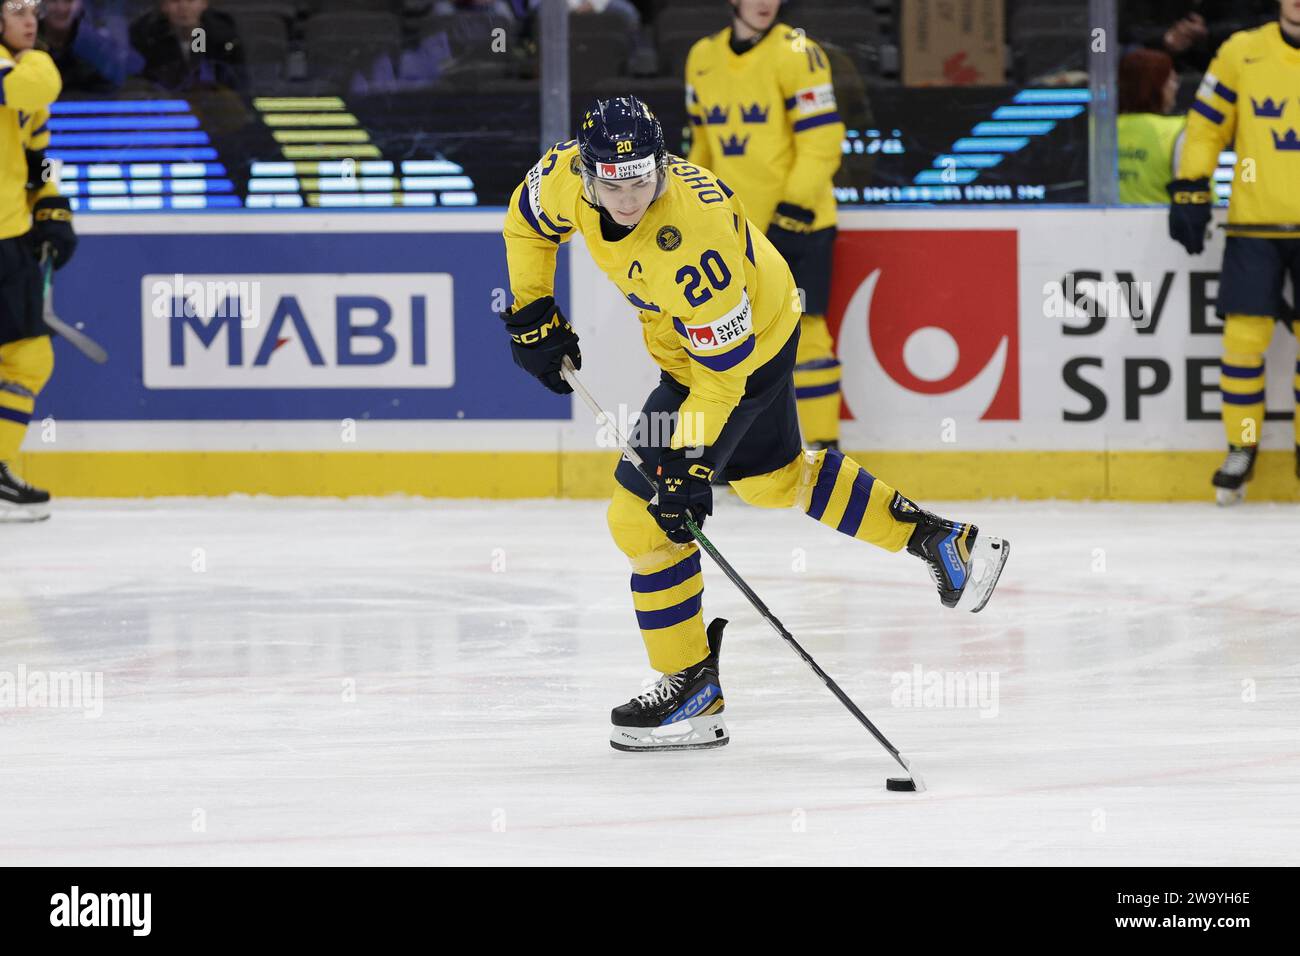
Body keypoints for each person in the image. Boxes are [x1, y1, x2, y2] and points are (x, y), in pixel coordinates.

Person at [500, 96, 1009, 751]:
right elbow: (526, 223)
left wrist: (688, 461)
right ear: (586, 170)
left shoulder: (692, 240)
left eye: (642, 182)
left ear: (662, 165)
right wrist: (533, 308)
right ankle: (942, 542)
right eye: (612, 185)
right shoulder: (568, 175)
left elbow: (722, 380)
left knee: (640, 516)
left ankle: (689, 686)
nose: (627, 199)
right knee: (772, 481)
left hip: (734, 362)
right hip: (738, 337)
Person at [684, 0, 844, 450]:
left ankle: (823, 451)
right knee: (723, 338)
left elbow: (823, 140)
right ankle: (727, 455)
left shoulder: (798, 50)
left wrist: (793, 209)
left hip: (799, 224)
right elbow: (701, 147)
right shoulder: (701, 57)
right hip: (731, 230)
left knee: (807, 330)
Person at [1167, 0, 1300, 504]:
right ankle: (1241, 447)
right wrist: (1191, 184)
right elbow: (1205, 124)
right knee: (1243, 342)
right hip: (1254, 225)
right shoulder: (1242, 51)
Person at [0, 0, 78, 521]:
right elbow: (35, 85)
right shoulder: (26, 70)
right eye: (17, 10)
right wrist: (45, 57)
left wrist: (51, 205)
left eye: (35, 10)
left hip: (9, 236)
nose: (30, 19)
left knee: (27, 358)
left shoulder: (22, 68)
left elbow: (38, 155)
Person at [129, 0, 245, 93]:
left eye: (191, 0)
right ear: (164, 6)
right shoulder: (147, 40)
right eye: (175, 1)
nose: (183, 7)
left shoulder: (222, 42)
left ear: (204, 3)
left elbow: (239, 86)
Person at [1117, 49, 1186, 204]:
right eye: (1172, 80)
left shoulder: (1101, 130)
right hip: (1164, 225)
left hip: (1104, 223)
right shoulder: (1179, 131)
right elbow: (1198, 194)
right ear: (1156, 85)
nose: (1175, 87)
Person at [39, 0, 127, 93]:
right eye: (52, 1)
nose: (61, 8)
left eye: (68, 1)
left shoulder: (97, 44)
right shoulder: (28, 43)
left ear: (80, 4)